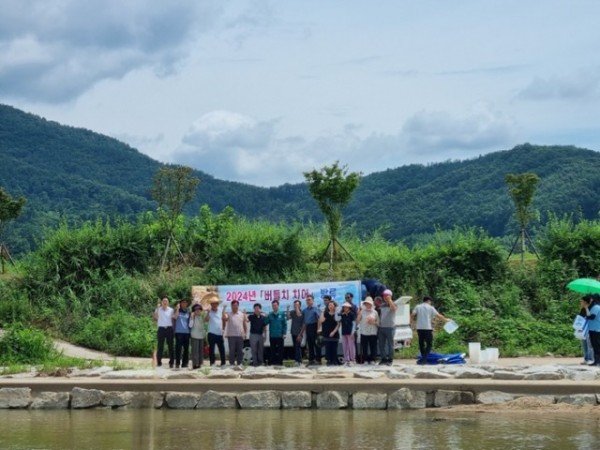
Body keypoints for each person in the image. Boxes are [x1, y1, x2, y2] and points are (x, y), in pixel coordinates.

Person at [411, 296, 451, 364]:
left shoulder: (418, 306)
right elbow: (438, 315)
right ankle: (424, 359)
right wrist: (446, 320)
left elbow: (412, 314)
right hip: (427, 328)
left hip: (419, 328)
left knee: (421, 343)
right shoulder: (431, 307)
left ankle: (424, 358)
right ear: (429, 301)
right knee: (429, 344)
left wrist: (411, 322)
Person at [298, 295, 322, 365]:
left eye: (309, 299)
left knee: (317, 345)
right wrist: (301, 333)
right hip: (308, 328)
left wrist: (318, 329)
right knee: (310, 345)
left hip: (315, 327)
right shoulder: (305, 310)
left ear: (313, 301)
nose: (308, 301)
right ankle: (311, 360)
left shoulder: (316, 309)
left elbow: (319, 320)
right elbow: (304, 322)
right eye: (307, 300)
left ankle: (318, 360)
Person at [223, 300, 247, 366]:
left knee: (240, 351)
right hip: (231, 335)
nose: (235, 307)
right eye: (233, 305)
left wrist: (245, 333)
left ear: (238, 306)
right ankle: (231, 363)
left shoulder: (242, 314)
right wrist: (224, 309)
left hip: (240, 335)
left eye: (236, 305)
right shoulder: (228, 314)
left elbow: (244, 324)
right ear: (231, 306)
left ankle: (240, 363)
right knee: (232, 351)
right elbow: (224, 318)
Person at [153, 295, 174, 368]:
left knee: (171, 346)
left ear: (168, 303)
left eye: (166, 301)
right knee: (160, 346)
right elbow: (155, 318)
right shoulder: (158, 309)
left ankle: (171, 362)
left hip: (169, 329)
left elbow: (173, 319)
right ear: (161, 302)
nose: (165, 302)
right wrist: (157, 308)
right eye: (164, 301)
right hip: (161, 329)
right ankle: (159, 362)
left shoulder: (171, 310)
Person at [378, 289, 398, 366]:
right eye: (384, 295)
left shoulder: (394, 303)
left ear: (390, 296)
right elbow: (381, 316)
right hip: (382, 327)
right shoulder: (382, 305)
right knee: (381, 344)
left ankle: (390, 360)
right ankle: (383, 359)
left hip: (390, 327)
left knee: (390, 345)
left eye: (387, 295)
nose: (385, 297)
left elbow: (393, 309)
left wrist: (390, 301)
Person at [357, 296, 379, 364]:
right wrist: (359, 313)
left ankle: (373, 359)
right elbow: (357, 321)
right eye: (366, 303)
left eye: (369, 303)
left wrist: (373, 322)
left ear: (371, 304)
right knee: (364, 347)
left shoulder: (375, 312)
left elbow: (378, 323)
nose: (368, 305)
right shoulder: (362, 311)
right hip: (364, 332)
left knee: (373, 347)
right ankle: (365, 360)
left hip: (373, 332)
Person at [204, 297, 226, 366]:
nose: (214, 305)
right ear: (211, 304)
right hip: (211, 333)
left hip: (219, 333)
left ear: (217, 304)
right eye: (212, 304)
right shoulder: (209, 311)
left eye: (215, 303)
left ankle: (223, 363)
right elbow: (206, 320)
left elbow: (224, 319)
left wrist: (223, 329)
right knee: (211, 350)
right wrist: (207, 312)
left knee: (222, 349)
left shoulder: (220, 310)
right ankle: (212, 363)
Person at [266, 300, 287, 365]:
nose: (274, 307)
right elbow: (265, 322)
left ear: (278, 305)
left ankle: (280, 363)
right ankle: (273, 362)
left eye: (275, 305)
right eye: (273, 306)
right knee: (273, 350)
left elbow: (284, 324)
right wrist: (265, 317)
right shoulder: (270, 314)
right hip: (272, 335)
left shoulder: (282, 314)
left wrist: (284, 333)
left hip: (280, 335)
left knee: (280, 350)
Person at [319, 300, 340, 365]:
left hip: (334, 334)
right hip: (326, 334)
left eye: (331, 305)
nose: (330, 306)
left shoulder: (337, 314)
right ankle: (329, 361)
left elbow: (338, 324)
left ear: (334, 306)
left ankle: (334, 360)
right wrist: (322, 312)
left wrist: (333, 332)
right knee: (327, 348)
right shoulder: (325, 313)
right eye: (329, 305)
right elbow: (321, 320)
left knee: (334, 348)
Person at [172, 298, 191, 369]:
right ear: (180, 304)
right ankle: (177, 363)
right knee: (178, 349)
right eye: (183, 302)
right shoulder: (177, 311)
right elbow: (175, 317)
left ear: (187, 304)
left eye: (185, 303)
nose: (184, 303)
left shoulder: (188, 312)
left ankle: (184, 364)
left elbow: (190, 322)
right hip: (178, 332)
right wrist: (177, 308)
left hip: (186, 332)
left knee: (186, 349)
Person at [582, 294, 600, 366]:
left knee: (596, 346)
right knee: (595, 346)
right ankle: (597, 361)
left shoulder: (596, 307)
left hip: (595, 329)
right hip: (593, 328)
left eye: (592, 298)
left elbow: (592, 317)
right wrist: (586, 308)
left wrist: (586, 310)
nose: (591, 300)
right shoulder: (594, 307)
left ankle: (597, 361)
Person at [189, 303, 206, 369]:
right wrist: (192, 318)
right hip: (194, 336)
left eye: (199, 309)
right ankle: (195, 364)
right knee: (195, 351)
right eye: (196, 309)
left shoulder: (201, 317)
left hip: (201, 336)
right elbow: (190, 325)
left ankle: (199, 364)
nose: (198, 311)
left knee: (200, 351)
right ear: (194, 311)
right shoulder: (192, 317)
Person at [287, 299, 304, 366]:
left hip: (299, 333)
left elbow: (298, 314)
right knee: (295, 347)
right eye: (294, 305)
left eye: (296, 304)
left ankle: (299, 361)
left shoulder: (302, 312)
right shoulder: (292, 312)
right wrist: (288, 309)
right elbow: (288, 317)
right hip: (293, 332)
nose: (295, 306)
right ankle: (297, 360)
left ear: (300, 305)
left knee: (298, 347)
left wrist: (300, 334)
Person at [578, 296, 595, 365]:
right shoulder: (582, 309)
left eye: (581, 301)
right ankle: (586, 358)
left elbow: (589, 316)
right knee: (584, 344)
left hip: (589, 328)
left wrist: (586, 308)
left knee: (589, 344)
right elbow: (580, 317)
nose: (580, 302)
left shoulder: (592, 308)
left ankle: (590, 359)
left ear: (585, 302)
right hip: (583, 328)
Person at [339, 300, 356, 365]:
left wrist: (352, 332)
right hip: (344, 332)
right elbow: (337, 319)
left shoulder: (352, 314)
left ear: (349, 308)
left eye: (346, 307)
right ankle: (346, 359)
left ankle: (353, 359)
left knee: (351, 346)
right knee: (344, 346)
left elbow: (354, 323)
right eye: (344, 307)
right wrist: (341, 314)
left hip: (350, 332)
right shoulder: (342, 315)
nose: (345, 308)